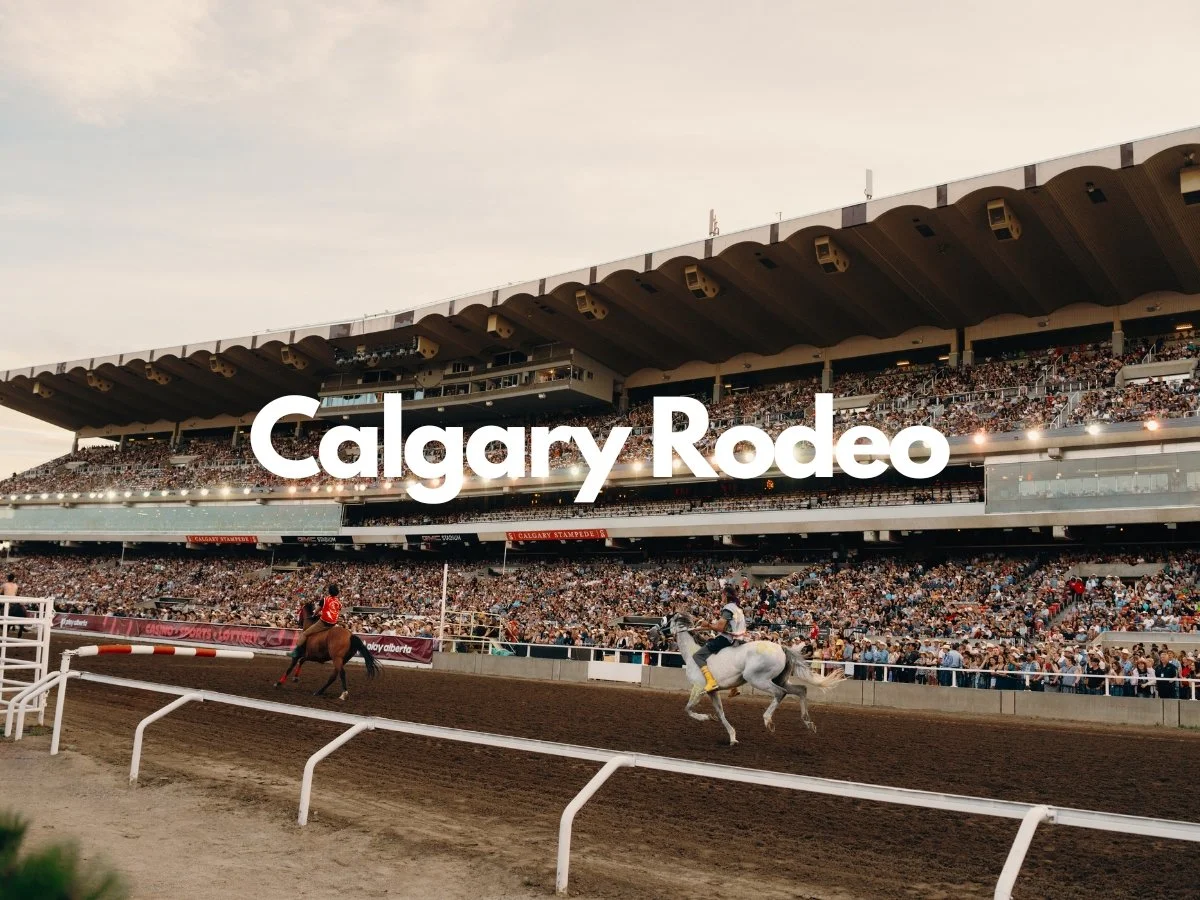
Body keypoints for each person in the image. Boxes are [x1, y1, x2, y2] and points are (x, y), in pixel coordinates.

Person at [692, 584, 748, 693]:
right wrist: (702, 627)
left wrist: (707, 624)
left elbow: (720, 627)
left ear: (726, 595)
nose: (721, 597)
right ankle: (733, 687)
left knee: (697, 656)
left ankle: (711, 682)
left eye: (722, 594)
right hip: (739, 639)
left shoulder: (728, 608)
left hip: (727, 639)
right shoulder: (738, 609)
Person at [290, 584, 342, 659]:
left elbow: (317, 610)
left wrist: (314, 615)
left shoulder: (325, 599)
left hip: (324, 622)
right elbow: (335, 612)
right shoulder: (339, 602)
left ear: (329, 591)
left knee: (305, 633)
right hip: (333, 623)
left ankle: (296, 651)